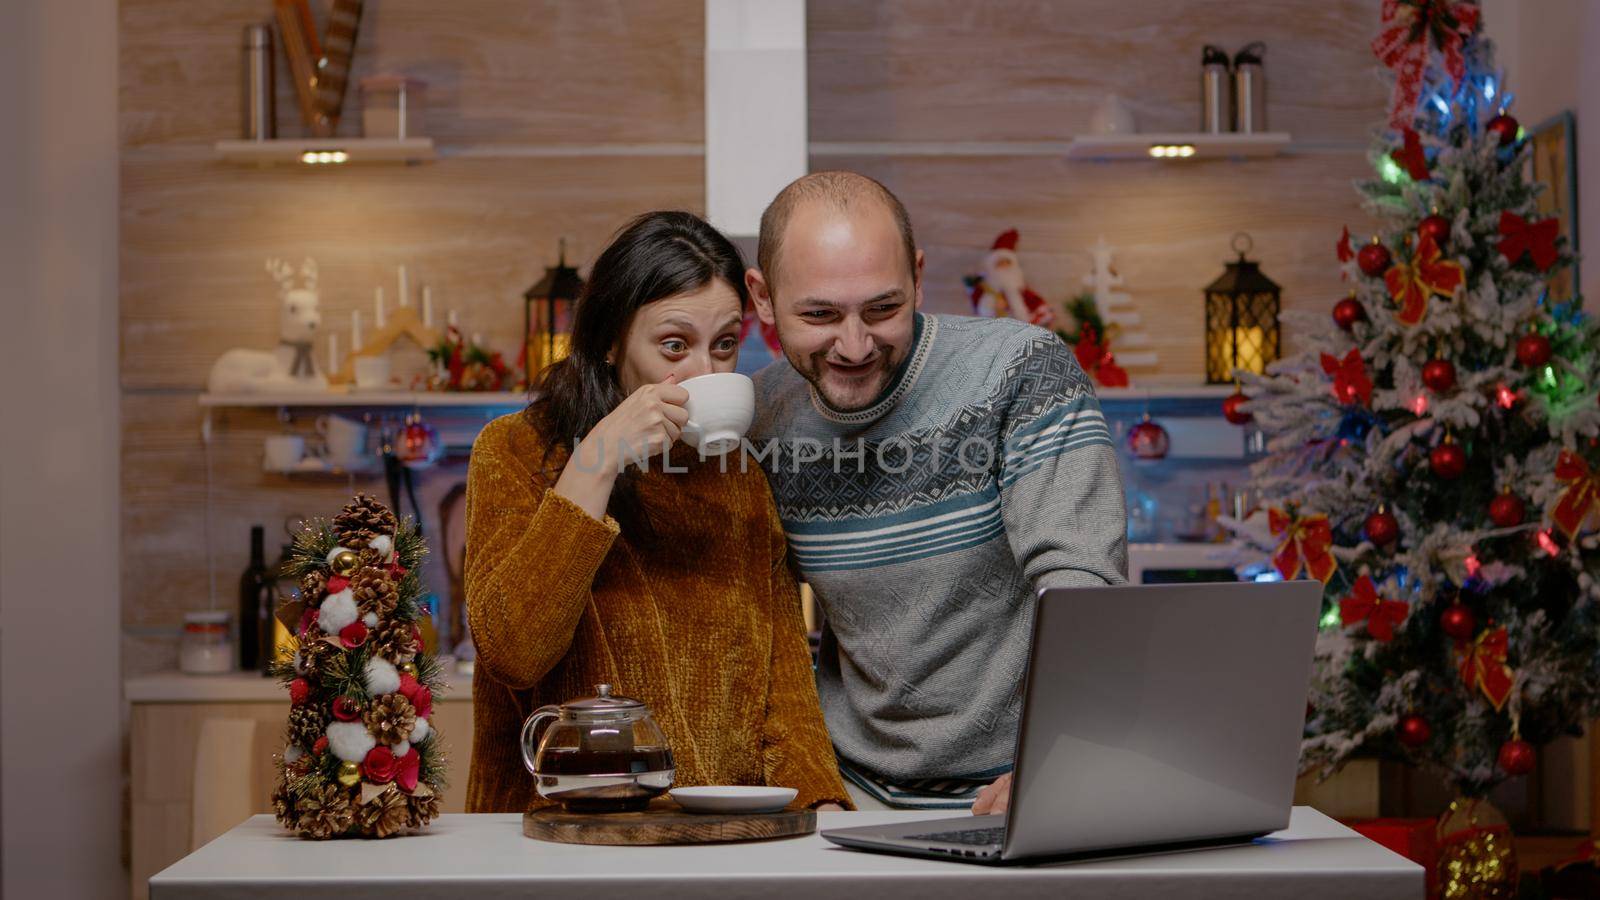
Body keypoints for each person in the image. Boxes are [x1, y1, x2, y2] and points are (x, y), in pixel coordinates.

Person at [745, 172, 1128, 814]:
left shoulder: (1022, 370)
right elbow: (753, 622)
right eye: (819, 315)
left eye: (882, 309)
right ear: (762, 297)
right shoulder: (760, 417)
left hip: (1018, 787)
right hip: (846, 793)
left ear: (918, 278)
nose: (855, 345)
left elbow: (1082, 577)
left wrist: (1055, 756)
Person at [464, 210, 850, 813]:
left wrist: (820, 809)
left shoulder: (737, 475)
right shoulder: (514, 451)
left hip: (719, 840)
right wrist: (596, 462)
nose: (706, 372)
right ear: (611, 340)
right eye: (675, 345)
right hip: (557, 842)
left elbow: (785, 692)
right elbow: (514, 652)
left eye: (724, 345)